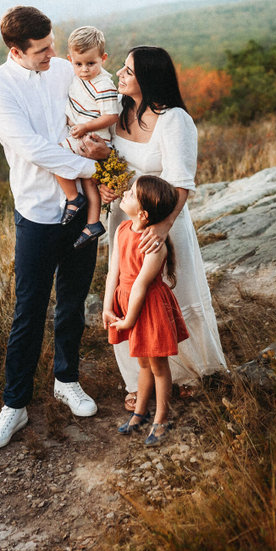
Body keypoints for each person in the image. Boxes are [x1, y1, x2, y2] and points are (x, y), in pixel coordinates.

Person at [0, 6, 109, 450]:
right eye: (42, 50)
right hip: (37, 213)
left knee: (72, 304)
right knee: (28, 311)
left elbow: (95, 106)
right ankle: (13, 407)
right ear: (16, 50)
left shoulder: (60, 70)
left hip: (82, 210)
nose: (54, 55)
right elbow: (32, 148)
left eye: (52, 44)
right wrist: (90, 172)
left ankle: (66, 380)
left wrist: (104, 156)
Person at [82, 46, 227, 411]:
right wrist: (107, 181)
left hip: (165, 220)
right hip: (126, 219)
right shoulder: (120, 112)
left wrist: (162, 227)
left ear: (148, 77)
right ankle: (138, 380)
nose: (119, 74)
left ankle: (190, 372)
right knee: (130, 292)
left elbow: (181, 183)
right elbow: (121, 165)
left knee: (172, 294)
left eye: (128, 70)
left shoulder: (174, 119)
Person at [103, 176, 189, 446]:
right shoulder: (122, 230)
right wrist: (107, 307)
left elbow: (141, 285)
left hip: (149, 307)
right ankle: (140, 411)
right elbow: (113, 272)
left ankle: (162, 418)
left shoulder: (155, 245)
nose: (124, 194)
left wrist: (129, 319)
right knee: (142, 361)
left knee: (158, 365)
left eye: (131, 193)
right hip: (126, 302)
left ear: (143, 213)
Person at [55, 26, 120, 249]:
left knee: (56, 158)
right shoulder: (78, 78)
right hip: (84, 133)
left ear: (103, 58)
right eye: (78, 64)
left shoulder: (104, 85)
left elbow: (111, 116)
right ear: (70, 60)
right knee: (88, 180)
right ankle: (93, 223)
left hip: (93, 138)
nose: (84, 69)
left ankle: (73, 198)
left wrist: (84, 127)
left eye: (91, 63)